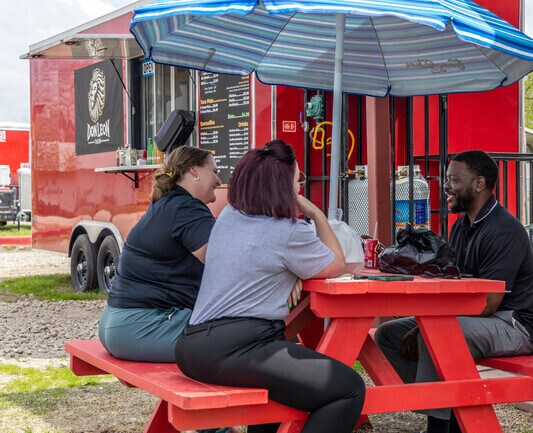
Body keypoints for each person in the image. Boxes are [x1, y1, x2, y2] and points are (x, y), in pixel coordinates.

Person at [175, 139, 366, 433]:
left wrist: (290, 275)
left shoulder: (229, 216)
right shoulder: (288, 231)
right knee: (349, 388)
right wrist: (315, 213)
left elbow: (257, 264)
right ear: (285, 185)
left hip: (192, 345)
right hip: (239, 346)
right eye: (298, 179)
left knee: (278, 384)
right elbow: (337, 263)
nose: (300, 186)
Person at [375, 150, 533, 433]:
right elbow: (455, 288)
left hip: (514, 323)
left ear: (479, 184)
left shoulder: (504, 230)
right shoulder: (462, 226)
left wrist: (429, 326)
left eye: (454, 180)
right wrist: (424, 321)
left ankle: (439, 426)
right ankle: (453, 411)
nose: (445, 187)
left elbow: (489, 303)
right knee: (388, 335)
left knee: (438, 336)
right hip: (479, 319)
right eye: (446, 179)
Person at [98, 145, 221, 363]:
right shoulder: (187, 208)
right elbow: (224, 264)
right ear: (194, 171)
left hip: (115, 325)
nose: (219, 181)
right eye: (214, 171)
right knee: (243, 337)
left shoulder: (167, 203)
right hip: (142, 327)